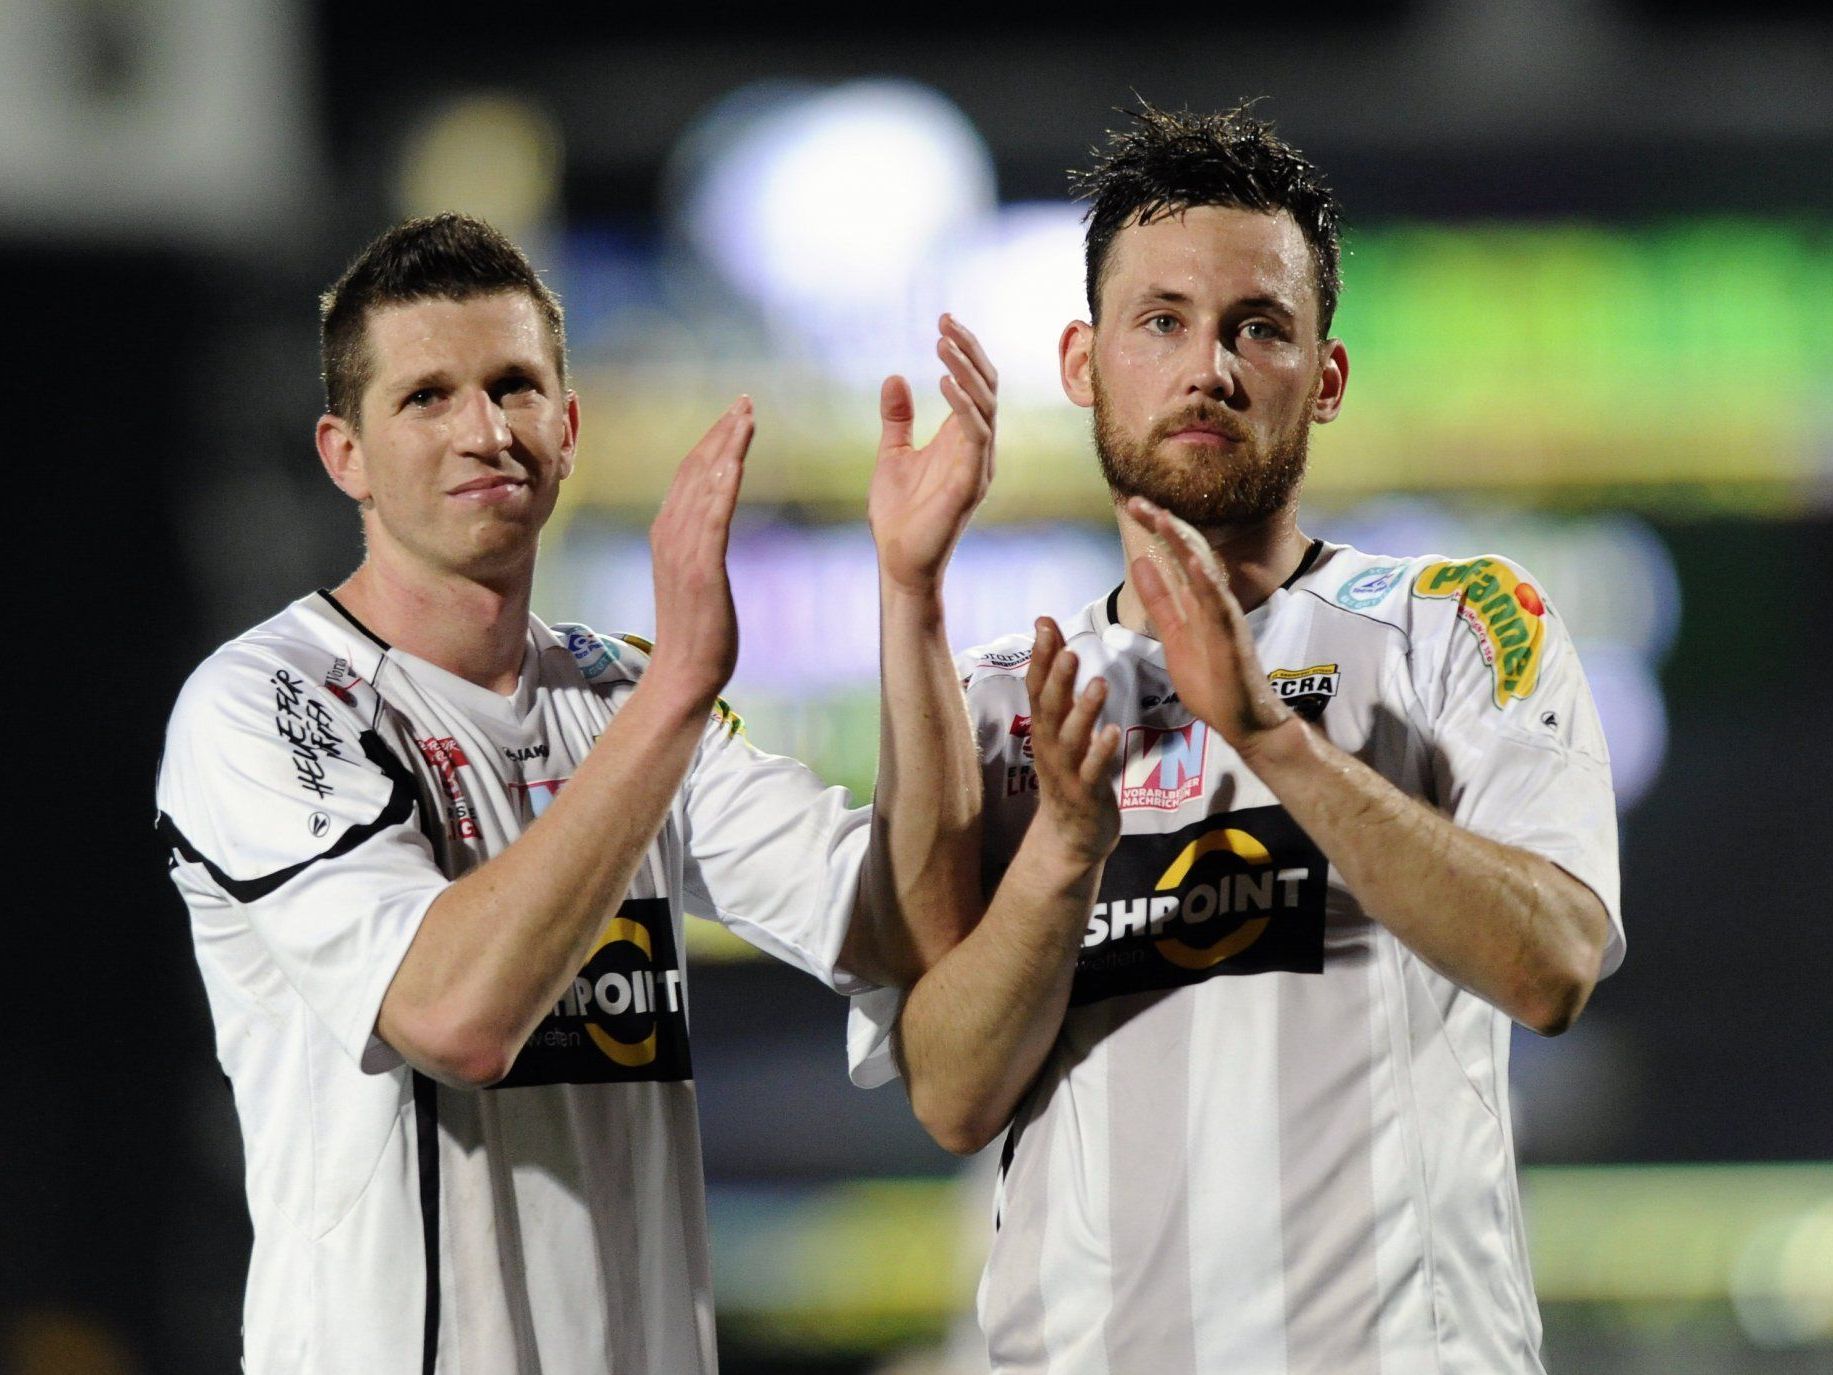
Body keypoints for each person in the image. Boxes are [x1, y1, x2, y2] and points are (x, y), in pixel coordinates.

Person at [852, 104, 1624, 1373]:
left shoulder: (1460, 622)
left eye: (1256, 327)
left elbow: (1553, 965)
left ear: (1324, 379)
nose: (1207, 365)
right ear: (1084, 363)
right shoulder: (996, 701)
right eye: (1161, 322)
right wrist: (1059, 847)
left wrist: (1269, 736)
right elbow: (950, 1093)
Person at [154, 213, 996, 1374]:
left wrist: (912, 590)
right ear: (341, 453)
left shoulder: (622, 693)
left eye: (513, 386)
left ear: (569, 425)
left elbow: (915, 926)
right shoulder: (266, 703)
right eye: (426, 398)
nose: (485, 430)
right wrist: (678, 692)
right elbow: (456, 1019)